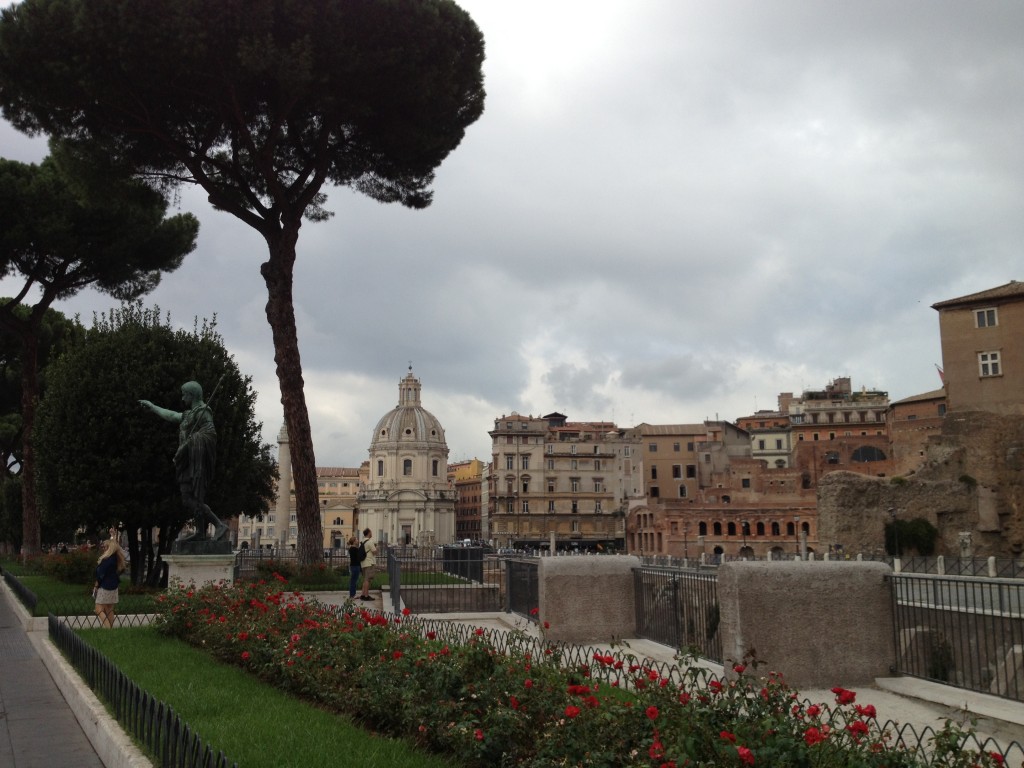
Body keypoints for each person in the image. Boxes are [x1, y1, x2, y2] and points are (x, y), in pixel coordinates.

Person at [139, 381, 227, 541]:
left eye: (184, 394)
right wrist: (152, 407)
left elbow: (210, 434)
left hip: (195, 460)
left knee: (194, 497)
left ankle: (218, 525)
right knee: (188, 498)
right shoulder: (189, 414)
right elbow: (172, 415)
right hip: (186, 460)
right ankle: (201, 531)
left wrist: (192, 441)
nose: (182, 397)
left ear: (192, 395)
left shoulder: (203, 412)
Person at [93, 537, 126, 628]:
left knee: (98, 609)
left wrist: (96, 585)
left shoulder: (106, 560)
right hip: (114, 586)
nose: (103, 548)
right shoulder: (115, 558)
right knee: (109, 609)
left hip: (105, 586)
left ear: (109, 548)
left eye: (104, 547)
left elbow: (101, 574)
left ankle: (108, 628)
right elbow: (116, 546)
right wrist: (113, 536)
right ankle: (111, 629)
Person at [359, 528, 377, 601]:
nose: (371, 533)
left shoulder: (363, 541)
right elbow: (374, 552)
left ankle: (363, 595)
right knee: (367, 580)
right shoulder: (369, 542)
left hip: (364, 562)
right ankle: (366, 596)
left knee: (365, 579)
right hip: (369, 562)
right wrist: (376, 547)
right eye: (371, 532)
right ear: (369, 533)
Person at [346, 534, 362, 601]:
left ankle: (353, 594)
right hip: (355, 566)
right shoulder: (354, 549)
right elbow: (359, 557)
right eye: (356, 540)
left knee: (354, 581)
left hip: (354, 565)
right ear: (354, 541)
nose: (358, 541)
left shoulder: (352, 548)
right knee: (353, 581)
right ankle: (352, 595)